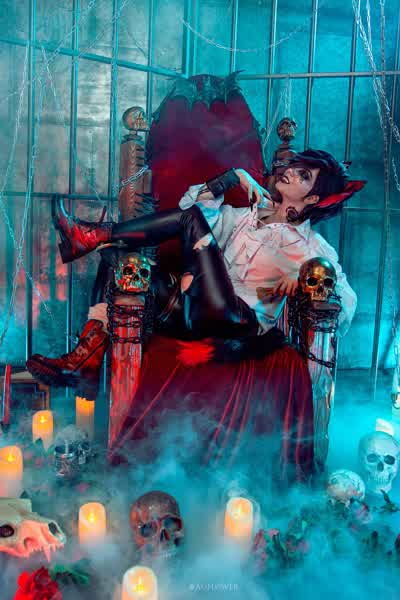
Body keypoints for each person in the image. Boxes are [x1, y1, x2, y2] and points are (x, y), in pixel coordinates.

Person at [26, 149, 364, 392]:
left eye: (304, 176)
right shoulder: (245, 217)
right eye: (296, 166)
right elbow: (192, 209)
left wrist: (304, 281)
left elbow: (347, 302)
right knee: (116, 259)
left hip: (237, 322)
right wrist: (231, 179)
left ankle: (90, 235)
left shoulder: (312, 247)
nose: (291, 171)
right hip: (197, 309)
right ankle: (85, 361)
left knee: (187, 222)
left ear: (313, 199)